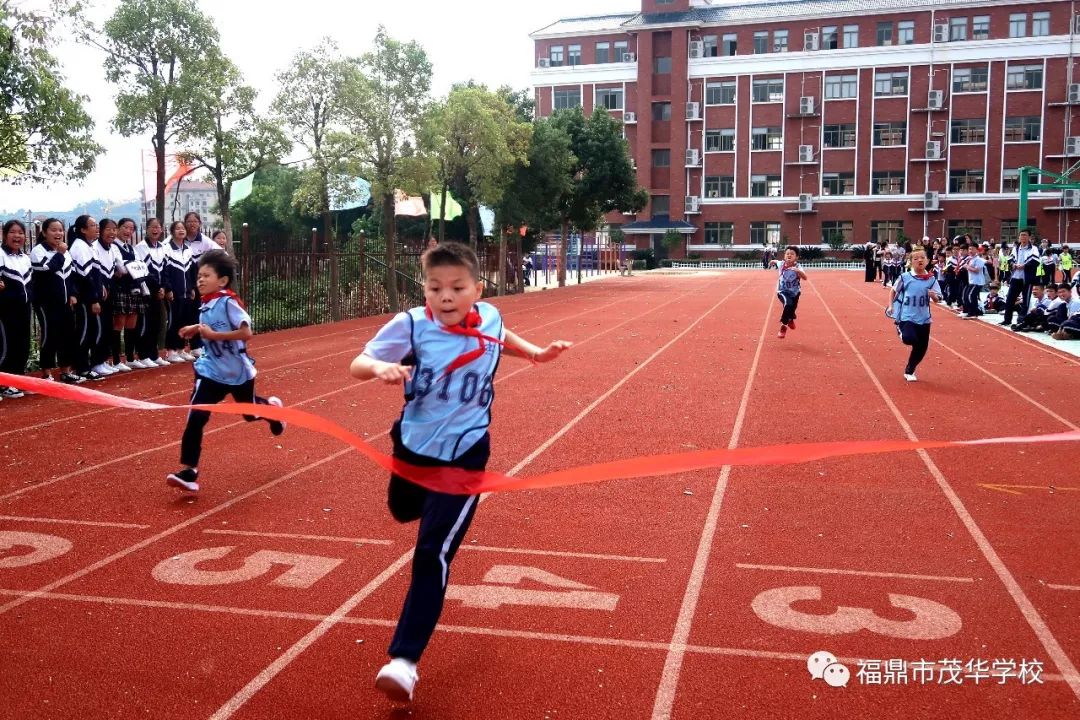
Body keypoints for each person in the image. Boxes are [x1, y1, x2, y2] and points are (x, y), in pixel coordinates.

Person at [348, 241, 572, 703]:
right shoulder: (410, 325)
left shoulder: (488, 315)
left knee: (432, 551)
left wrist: (536, 354)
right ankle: (415, 499)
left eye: (456, 287)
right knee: (402, 510)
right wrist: (380, 367)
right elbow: (357, 363)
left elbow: (500, 336)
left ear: (477, 289)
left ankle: (404, 661)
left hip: (467, 456)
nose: (445, 297)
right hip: (412, 449)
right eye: (434, 287)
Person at [166, 250, 285, 492]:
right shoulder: (206, 303)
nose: (199, 280)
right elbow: (209, 324)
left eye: (206, 275)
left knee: (250, 414)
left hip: (237, 372)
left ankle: (272, 411)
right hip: (209, 371)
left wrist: (212, 335)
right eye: (198, 276)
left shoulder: (229, 302)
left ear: (222, 281)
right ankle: (189, 471)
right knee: (196, 417)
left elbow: (246, 333)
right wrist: (196, 328)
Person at [30, 218, 84, 383]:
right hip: (46, 303)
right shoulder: (38, 251)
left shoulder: (65, 251)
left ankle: (65, 371)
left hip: (65, 301)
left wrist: (73, 294)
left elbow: (71, 275)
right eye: (53, 230)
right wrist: (60, 254)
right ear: (44, 233)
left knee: (67, 336)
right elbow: (47, 270)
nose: (58, 233)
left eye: (60, 230)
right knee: (50, 336)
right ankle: (46, 373)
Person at [888, 248, 942, 382]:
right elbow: (893, 291)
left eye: (922, 257)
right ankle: (900, 328)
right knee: (909, 338)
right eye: (916, 258)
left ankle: (910, 370)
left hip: (924, 318)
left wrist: (934, 296)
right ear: (911, 262)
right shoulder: (905, 277)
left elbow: (939, 298)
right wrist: (891, 306)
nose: (920, 260)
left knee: (921, 348)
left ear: (928, 261)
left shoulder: (931, 279)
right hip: (908, 316)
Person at [67, 215, 106, 381]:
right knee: (84, 333)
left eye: (96, 225)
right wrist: (93, 299)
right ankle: (81, 367)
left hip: (92, 296)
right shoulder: (79, 247)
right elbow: (84, 277)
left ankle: (85, 365)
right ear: (83, 229)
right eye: (92, 225)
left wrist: (101, 286)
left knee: (92, 331)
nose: (96, 228)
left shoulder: (89, 246)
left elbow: (95, 273)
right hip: (85, 299)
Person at [0, 220, 33, 397]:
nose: (17, 236)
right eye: (13, 232)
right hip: (5, 309)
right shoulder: (1, 255)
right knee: (7, 345)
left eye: (20, 232)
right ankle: (4, 383)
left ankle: (19, 380)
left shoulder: (25, 258)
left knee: (22, 344)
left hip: (24, 308)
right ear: (5, 235)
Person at [135, 218, 170, 367]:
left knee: (157, 324)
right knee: (146, 324)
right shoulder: (141, 247)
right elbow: (144, 271)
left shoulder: (163, 247)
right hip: (147, 292)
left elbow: (166, 270)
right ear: (146, 229)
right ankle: (143, 354)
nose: (155, 230)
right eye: (152, 227)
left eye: (158, 227)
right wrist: (156, 288)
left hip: (159, 292)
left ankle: (154, 354)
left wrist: (164, 288)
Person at [162, 220, 196, 363]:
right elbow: (165, 271)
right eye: (177, 229)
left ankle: (181, 349)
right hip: (174, 293)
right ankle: (170, 351)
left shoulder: (188, 249)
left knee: (184, 321)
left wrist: (192, 288)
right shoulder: (166, 249)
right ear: (172, 232)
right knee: (173, 322)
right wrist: (169, 289)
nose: (181, 231)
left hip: (186, 292)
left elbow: (191, 272)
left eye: (183, 228)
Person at [1002, 230, 1041, 327]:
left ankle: (1022, 320)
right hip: (1016, 277)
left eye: (1025, 235)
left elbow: (1035, 261)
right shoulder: (1016, 248)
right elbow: (1010, 259)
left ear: (1029, 237)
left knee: (1025, 300)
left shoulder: (1034, 249)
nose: (1022, 237)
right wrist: (1013, 264)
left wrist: (1024, 266)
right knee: (1010, 299)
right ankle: (1007, 320)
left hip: (1027, 279)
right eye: (1021, 235)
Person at [773, 246, 807, 339]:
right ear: (784, 256)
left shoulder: (798, 266)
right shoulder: (781, 264)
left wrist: (798, 271)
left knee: (792, 308)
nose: (789, 255)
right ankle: (784, 326)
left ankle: (791, 319)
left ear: (796, 257)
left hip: (795, 293)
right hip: (782, 291)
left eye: (792, 254)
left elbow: (805, 278)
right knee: (788, 304)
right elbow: (776, 261)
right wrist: (773, 261)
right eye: (787, 253)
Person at [960, 243, 986, 318]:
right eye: (969, 249)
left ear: (977, 250)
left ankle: (973, 312)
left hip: (977, 282)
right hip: (972, 281)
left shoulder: (978, 259)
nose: (970, 251)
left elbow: (977, 270)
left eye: (972, 249)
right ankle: (971, 311)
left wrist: (967, 267)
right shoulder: (970, 259)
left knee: (970, 296)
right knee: (966, 296)